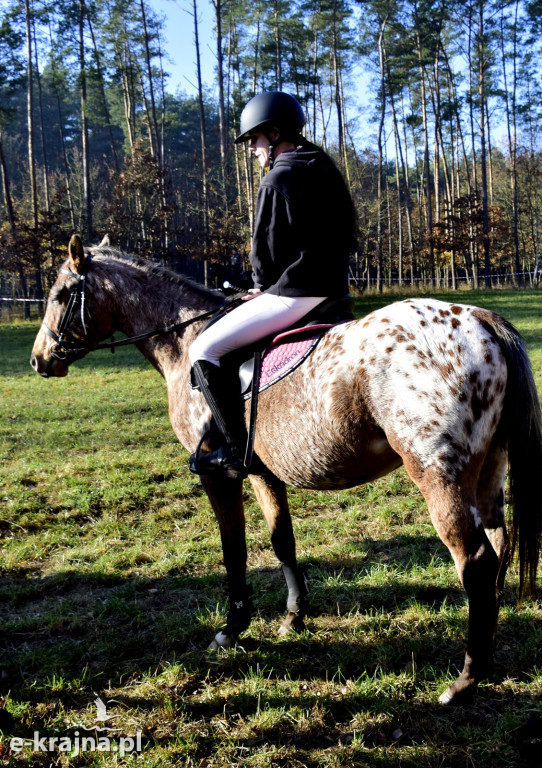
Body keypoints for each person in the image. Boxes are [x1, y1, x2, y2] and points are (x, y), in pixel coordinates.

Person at [188, 90, 358, 479]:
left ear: (276, 133)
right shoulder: (321, 168)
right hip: (333, 291)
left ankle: (235, 454)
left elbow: (264, 256)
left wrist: (264, 287)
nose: (251, 149)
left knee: (204, 348)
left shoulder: (278, 179)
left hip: (297, 295)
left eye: (254, 139)